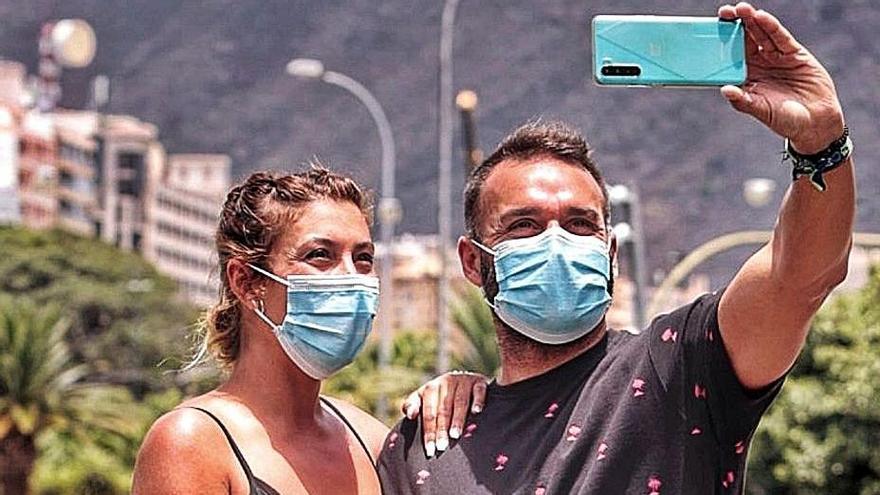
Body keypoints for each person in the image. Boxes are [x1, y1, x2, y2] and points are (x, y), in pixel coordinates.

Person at [379, 3, 855, 494]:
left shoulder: (679, 370)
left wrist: (821, 144)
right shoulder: (427, 445)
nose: (556, 241)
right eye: (523, 225)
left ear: (610, 253)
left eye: (579, 223)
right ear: (473, 262)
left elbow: (798, 276)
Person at [132, 166, 487, 494]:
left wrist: (469, 394)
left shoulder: (371, 441)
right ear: (246, 281)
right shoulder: (192, 442)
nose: (350, 277)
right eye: (320, 255)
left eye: (363, 258)